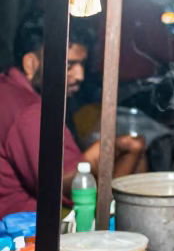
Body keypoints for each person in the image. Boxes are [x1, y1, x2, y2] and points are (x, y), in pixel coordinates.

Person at [0, 11, 147, 219]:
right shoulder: (30, 112)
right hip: (24, 235)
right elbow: (70, 189)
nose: (80, 76)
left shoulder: (6, 87)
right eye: (69, 65)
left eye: (82, 64)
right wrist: (103, 152)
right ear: (31, 63)